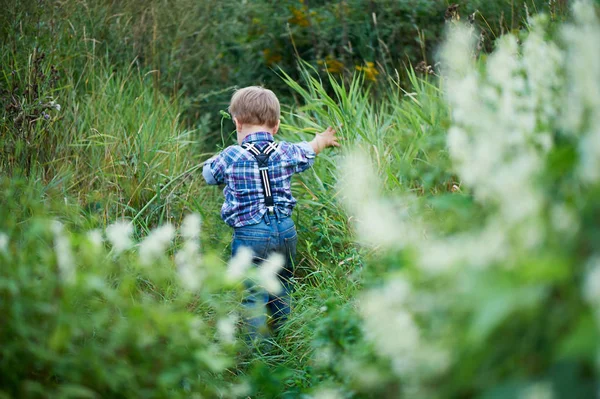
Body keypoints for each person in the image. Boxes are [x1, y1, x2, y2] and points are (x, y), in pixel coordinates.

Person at [202, 86, 339, 339]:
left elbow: (210, 175)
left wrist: (211, 161)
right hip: (286, 231)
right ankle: (284, 335)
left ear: (237, 123)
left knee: (252, 292)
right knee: (281, 284)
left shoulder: (231, 155)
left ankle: (257, 350)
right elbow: (309, 149)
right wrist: (322, 140)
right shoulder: (286, 151)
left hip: (251, 234)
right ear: (275, 126)